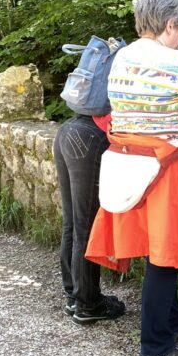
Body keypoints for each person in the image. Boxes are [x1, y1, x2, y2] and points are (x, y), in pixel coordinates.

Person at [86, 0, 178, 356]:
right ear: (170, 24)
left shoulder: (122, 57)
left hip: (131, 165)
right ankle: (155, 347)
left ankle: (174, 323)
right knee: (166, 257)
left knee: (156, 250)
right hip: (169, 168)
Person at [54, 112, 126, 325]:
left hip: (69, 128)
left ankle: (74, 297)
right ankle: (87, 304)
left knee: (72, 222)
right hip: (91, 135)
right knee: (86, 226)